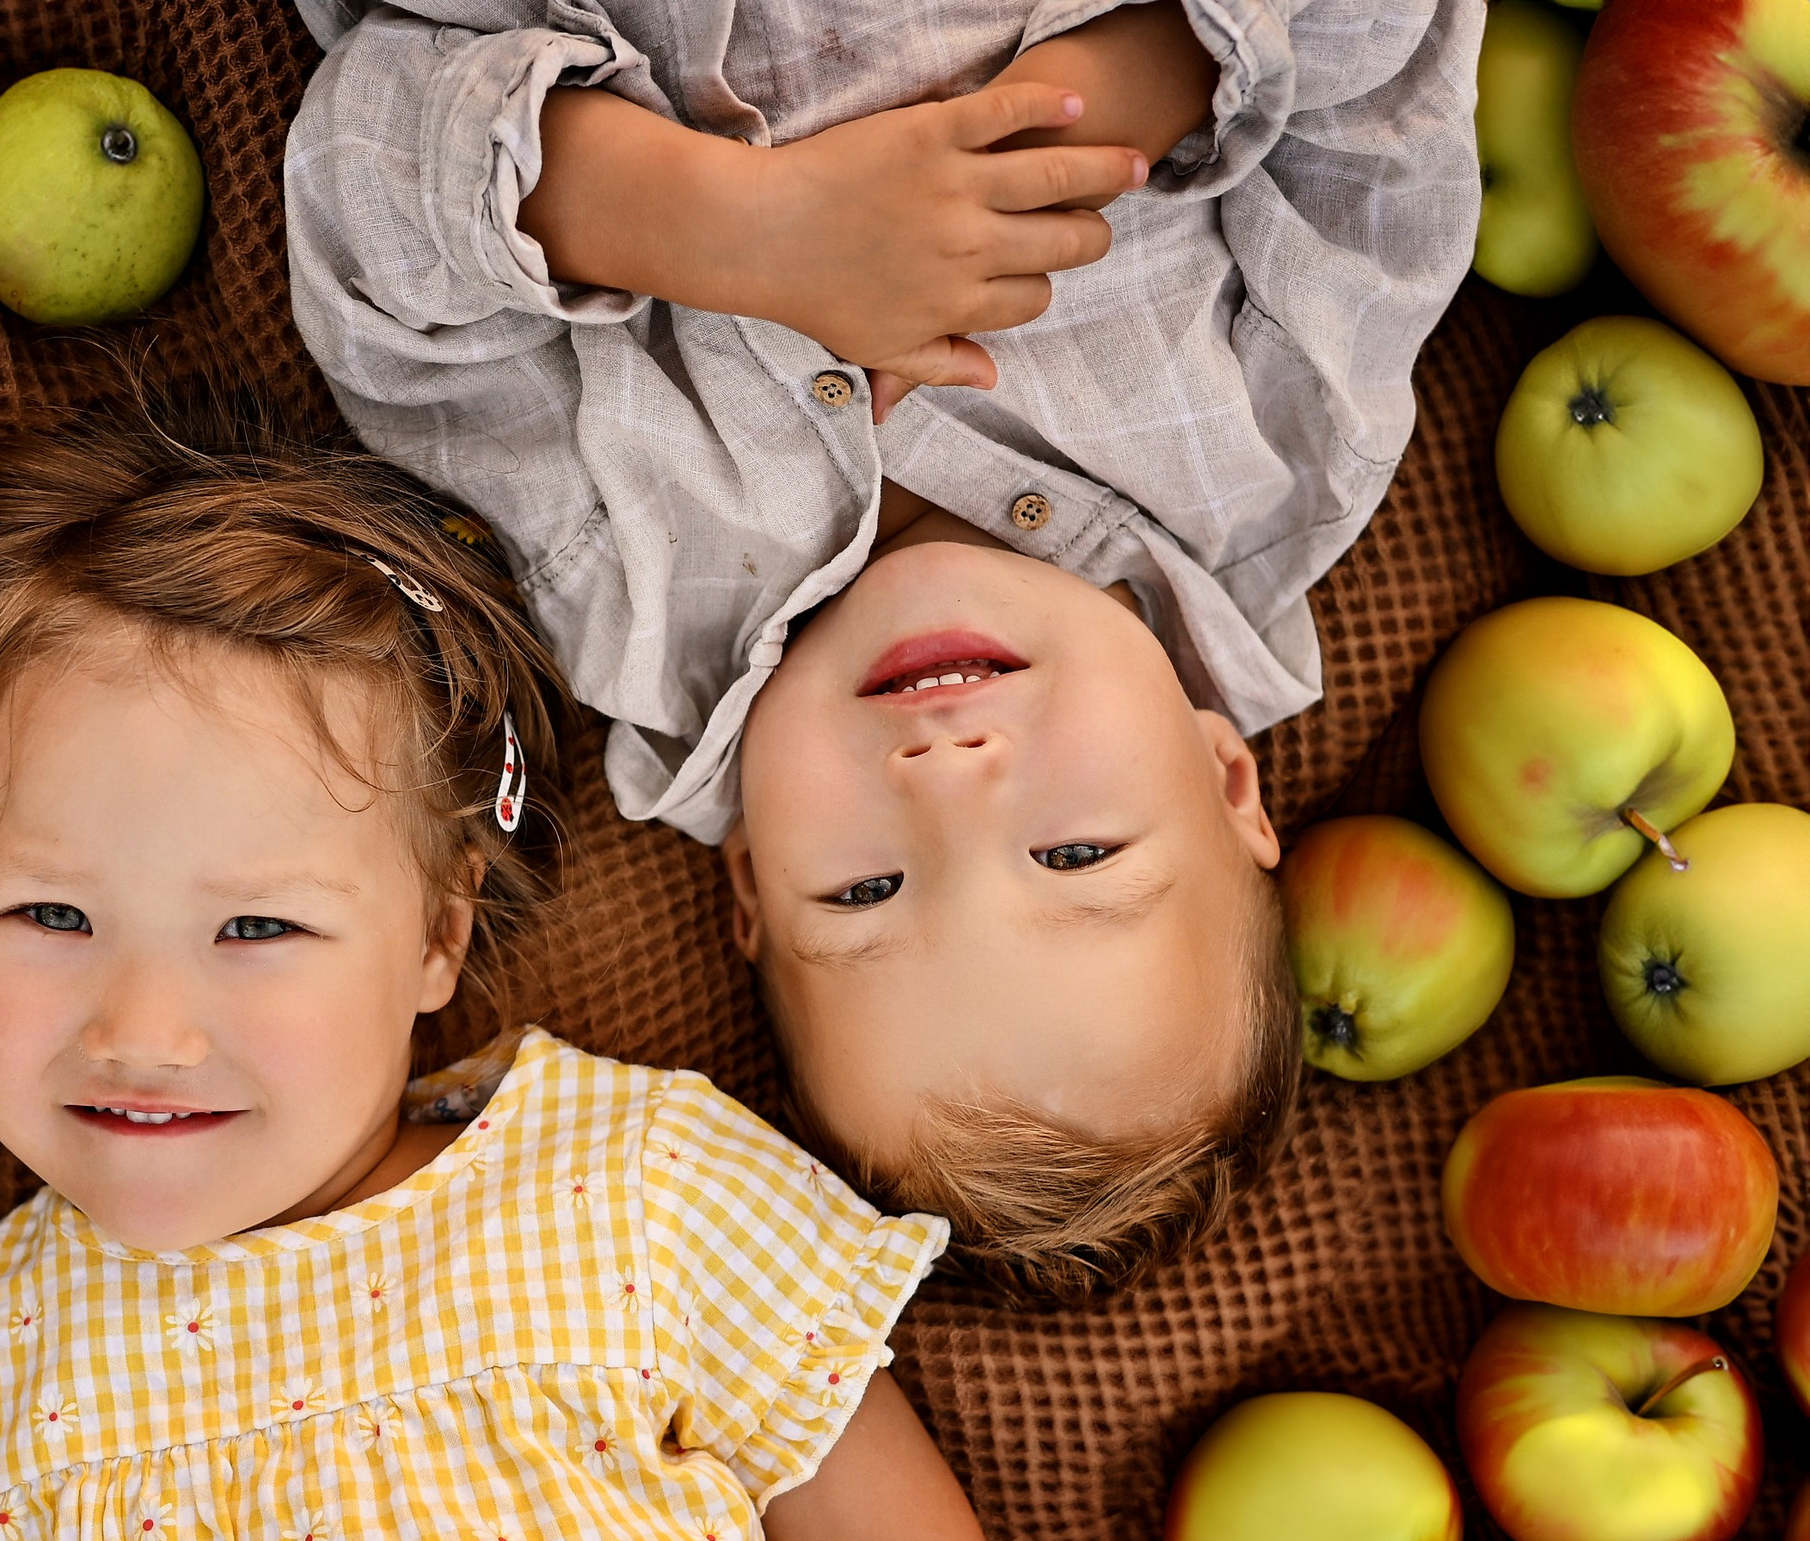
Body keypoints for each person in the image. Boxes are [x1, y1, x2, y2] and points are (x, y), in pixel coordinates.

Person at [0, 404, 1014, 1541]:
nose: (142, 1032)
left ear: (438, 933)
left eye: (256, 925)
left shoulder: (640, 1190)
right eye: (49, 914)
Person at [283, 0, 1479, 1298]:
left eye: (865, 892)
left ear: (750, 881)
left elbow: (366, 181)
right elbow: (1386, 55)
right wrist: (1119, 96)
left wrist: (731, 227)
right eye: (1076, 853)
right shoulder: (1285, 442)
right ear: (1227, 778)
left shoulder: (609, 586)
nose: (947, 774)